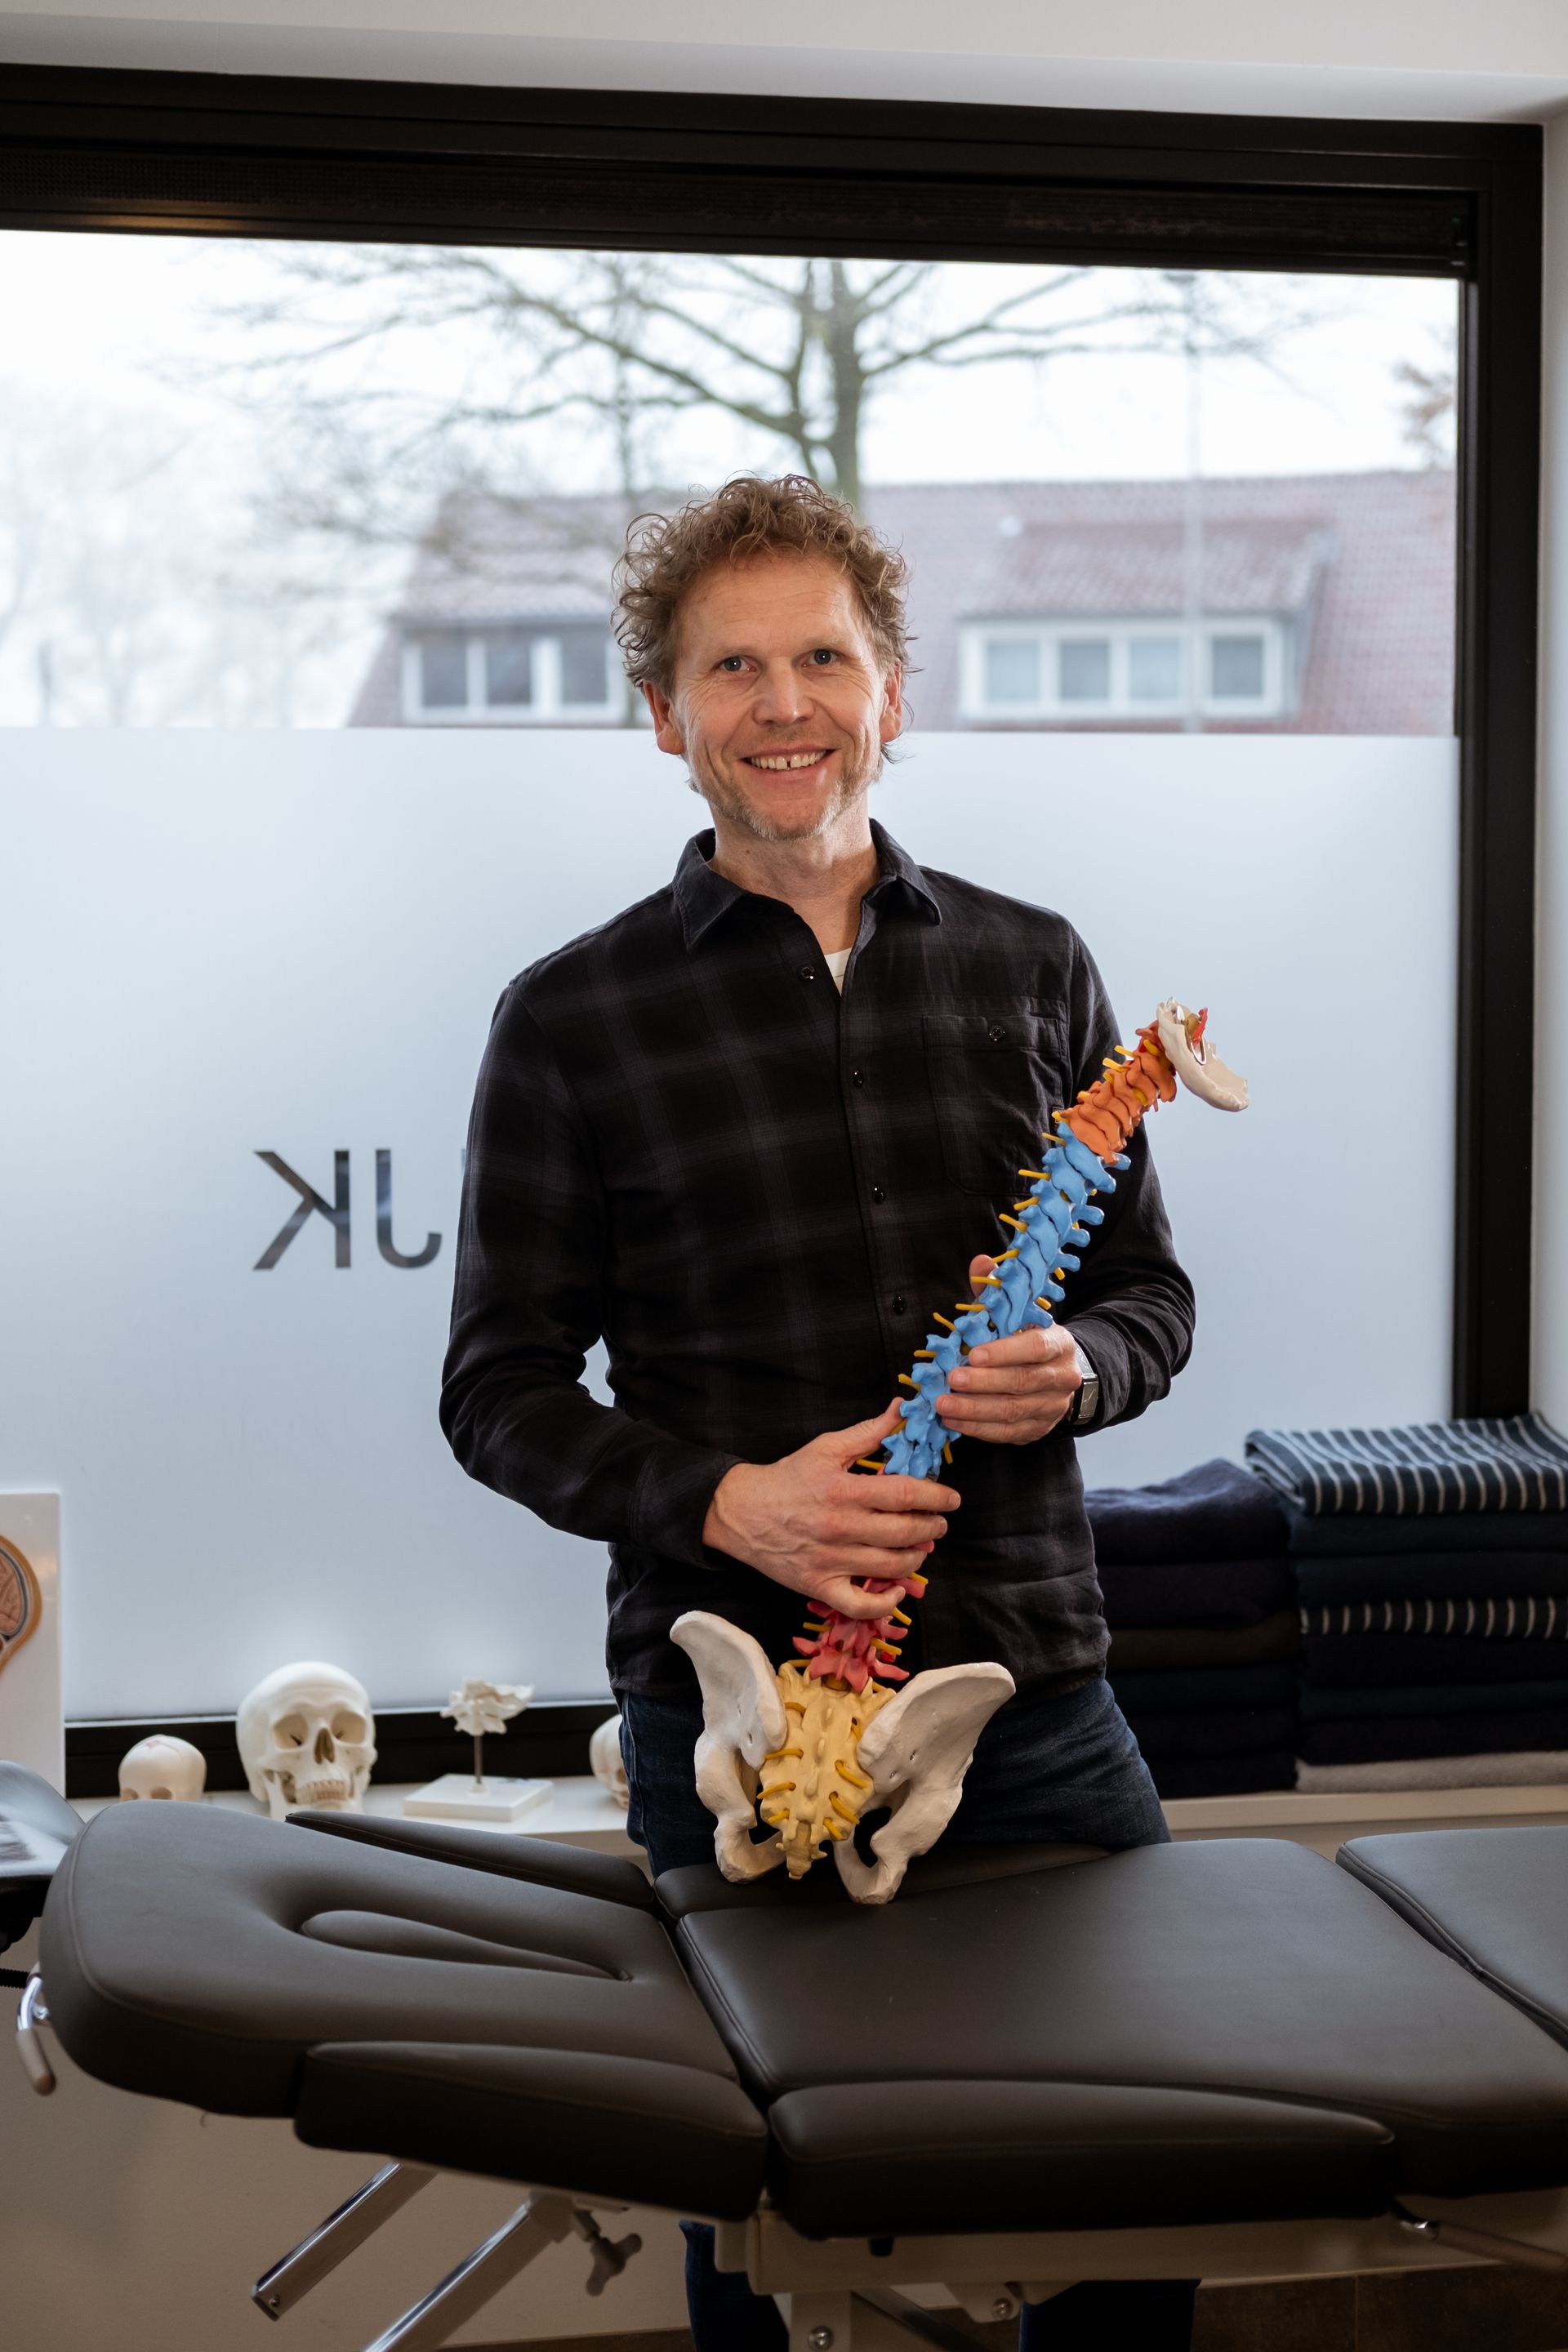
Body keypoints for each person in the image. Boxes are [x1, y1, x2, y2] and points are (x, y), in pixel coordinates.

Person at [441, 474, 1198, 2351]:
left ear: (892, 687)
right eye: (734, 666)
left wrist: (1084, 1367)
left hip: (1039, 1692)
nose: (787, 702)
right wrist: (730, 1508)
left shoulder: (1038, 964)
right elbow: (498, 1393)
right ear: (665, 715)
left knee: (1148, 2179)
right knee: (766, 2222)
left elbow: (1155, 1302)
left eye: (825, 657)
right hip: (731, 1722)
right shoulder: (571, 1021)